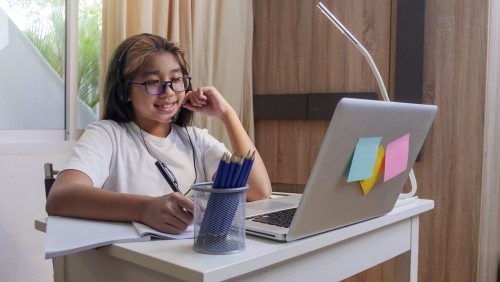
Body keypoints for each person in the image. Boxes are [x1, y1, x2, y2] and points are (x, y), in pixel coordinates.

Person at [46, 33, 272, 234]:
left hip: (195, 260)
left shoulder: (196, 139)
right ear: (126, 91)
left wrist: (227, 115)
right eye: (153, 82)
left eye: (176, 80)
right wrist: (146, 208)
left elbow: (259, 191)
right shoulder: (108, 135)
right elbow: (60, 197)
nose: (169, 92)